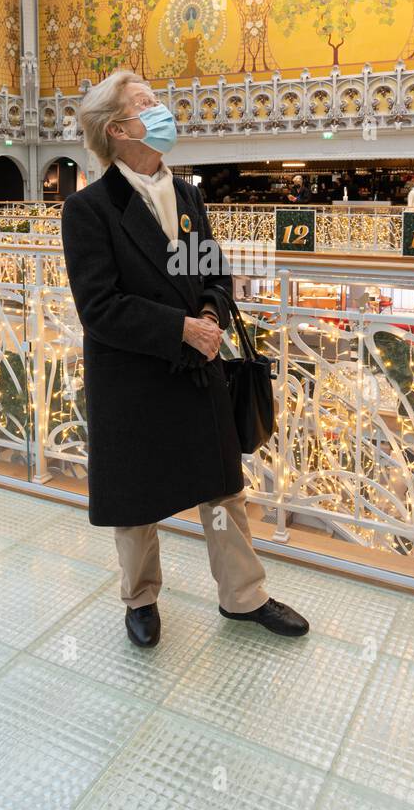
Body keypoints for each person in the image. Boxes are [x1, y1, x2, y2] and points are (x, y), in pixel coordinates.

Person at [61, 70, 309, 649]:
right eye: (147, 104)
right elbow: (99, 307)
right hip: (134, 374)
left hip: (197, 369)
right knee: (136, 501)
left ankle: (243, 595)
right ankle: (141, 597)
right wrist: (181, 328)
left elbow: (211, 271)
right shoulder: (89, 210)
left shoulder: (188, 195)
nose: (163, 108)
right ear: (118, 129)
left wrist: (210, 314)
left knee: (220, 490)